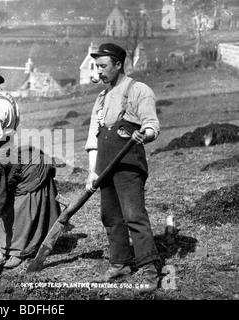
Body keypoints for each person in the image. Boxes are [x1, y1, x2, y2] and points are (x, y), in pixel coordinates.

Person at [85, 43, 161, 293]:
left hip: (128, 165)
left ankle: (150, 270)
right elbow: (93, 138)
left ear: (118, 64)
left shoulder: (139, 90)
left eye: (103, 66)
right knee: (110, 216)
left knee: (134, 216)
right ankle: (120, 263)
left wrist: (145, 135)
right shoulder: (102, 97)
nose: (99, 71)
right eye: (97, 66)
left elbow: (152, 125)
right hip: (106, 167)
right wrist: (91, 172)